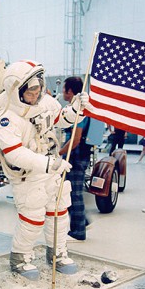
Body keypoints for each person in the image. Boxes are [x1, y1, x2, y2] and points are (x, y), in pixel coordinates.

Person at [0, 60, 90, 280]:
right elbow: (15, 153)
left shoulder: (45, 104)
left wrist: (76, 109)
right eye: (30, 92)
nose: (35, 95)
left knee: (60, 212)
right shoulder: (6, 118)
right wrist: (48, 164)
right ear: (16, 91)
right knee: (32, 217)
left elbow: (62, 120)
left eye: (38, 89)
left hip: (51, 168)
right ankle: (20, 257)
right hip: (29, 175)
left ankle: (57, 252)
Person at [58, 76, 91, 242]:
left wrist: (59, 153)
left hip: (76, 157)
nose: (63, 92)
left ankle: (78, 231)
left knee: (74, 193)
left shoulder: (79, 111)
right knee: (70, 191)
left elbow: (76, 139)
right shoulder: (75, 108)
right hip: (79, 155)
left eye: (64, 89)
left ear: (70, 91)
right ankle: (82, 221)